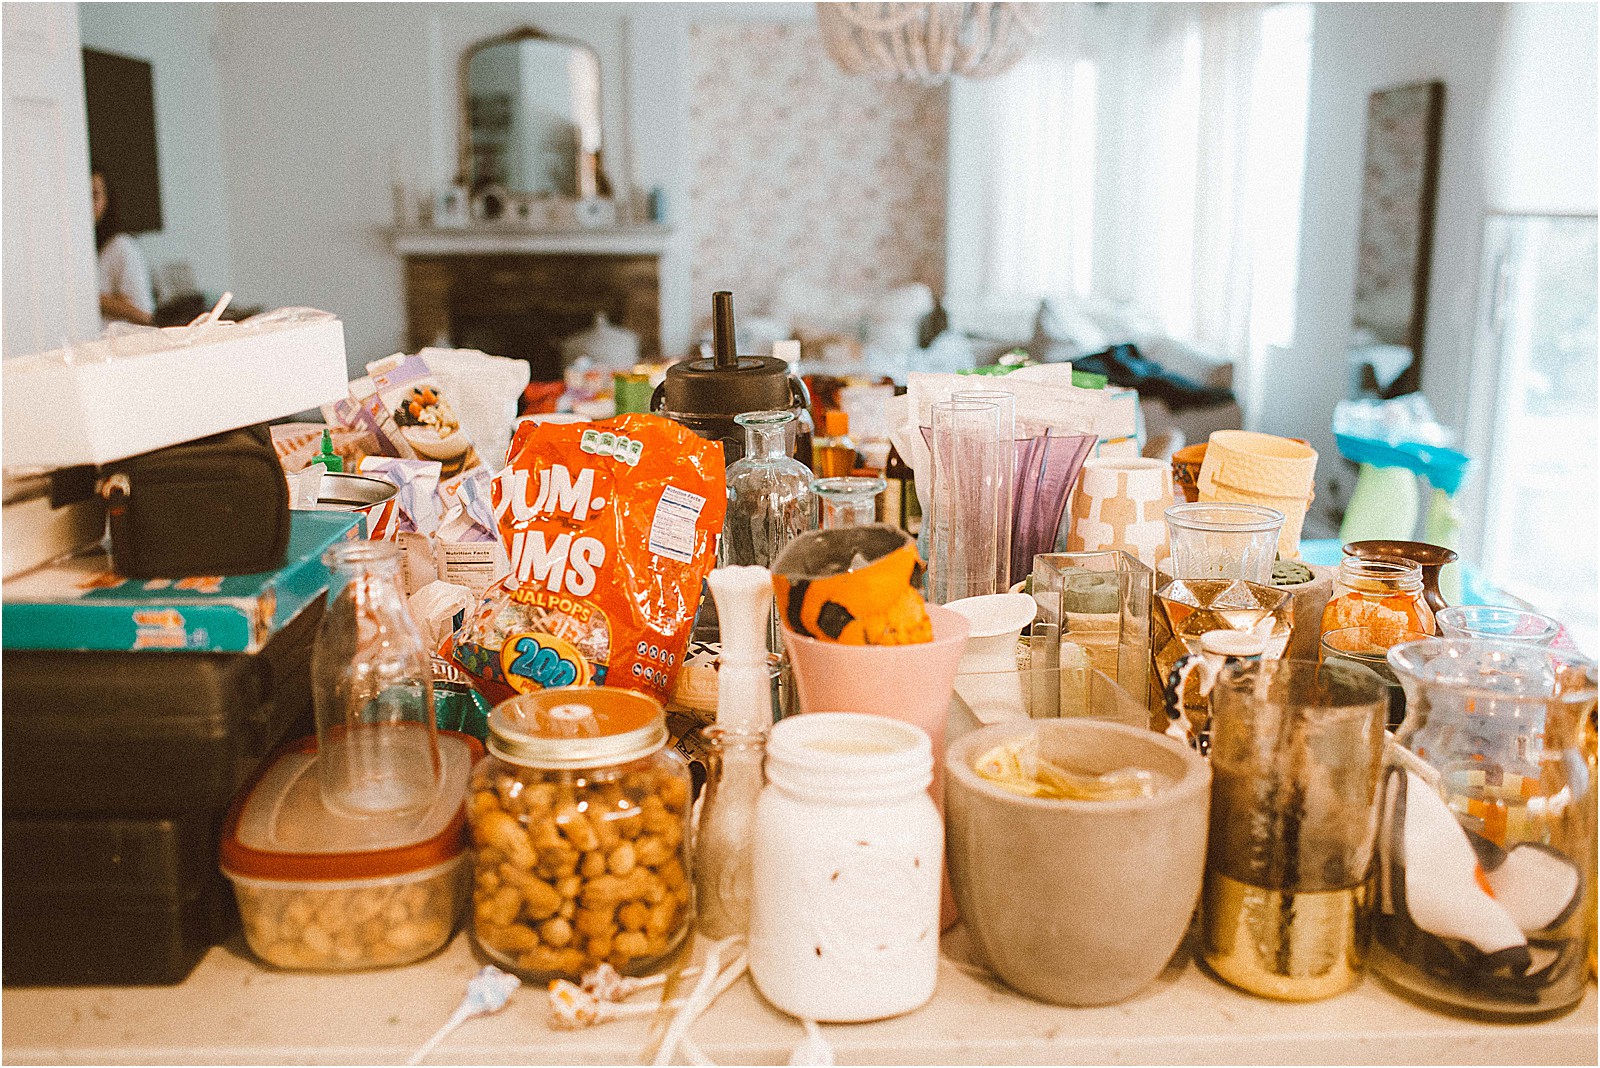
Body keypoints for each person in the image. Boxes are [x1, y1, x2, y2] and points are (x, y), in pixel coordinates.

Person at [92, 169, 154, 326]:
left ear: (107, 199)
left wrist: (93, 300)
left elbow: (145, 315)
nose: (88, 204)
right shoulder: (80, 251)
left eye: (94, 195)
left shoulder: (121, 245)